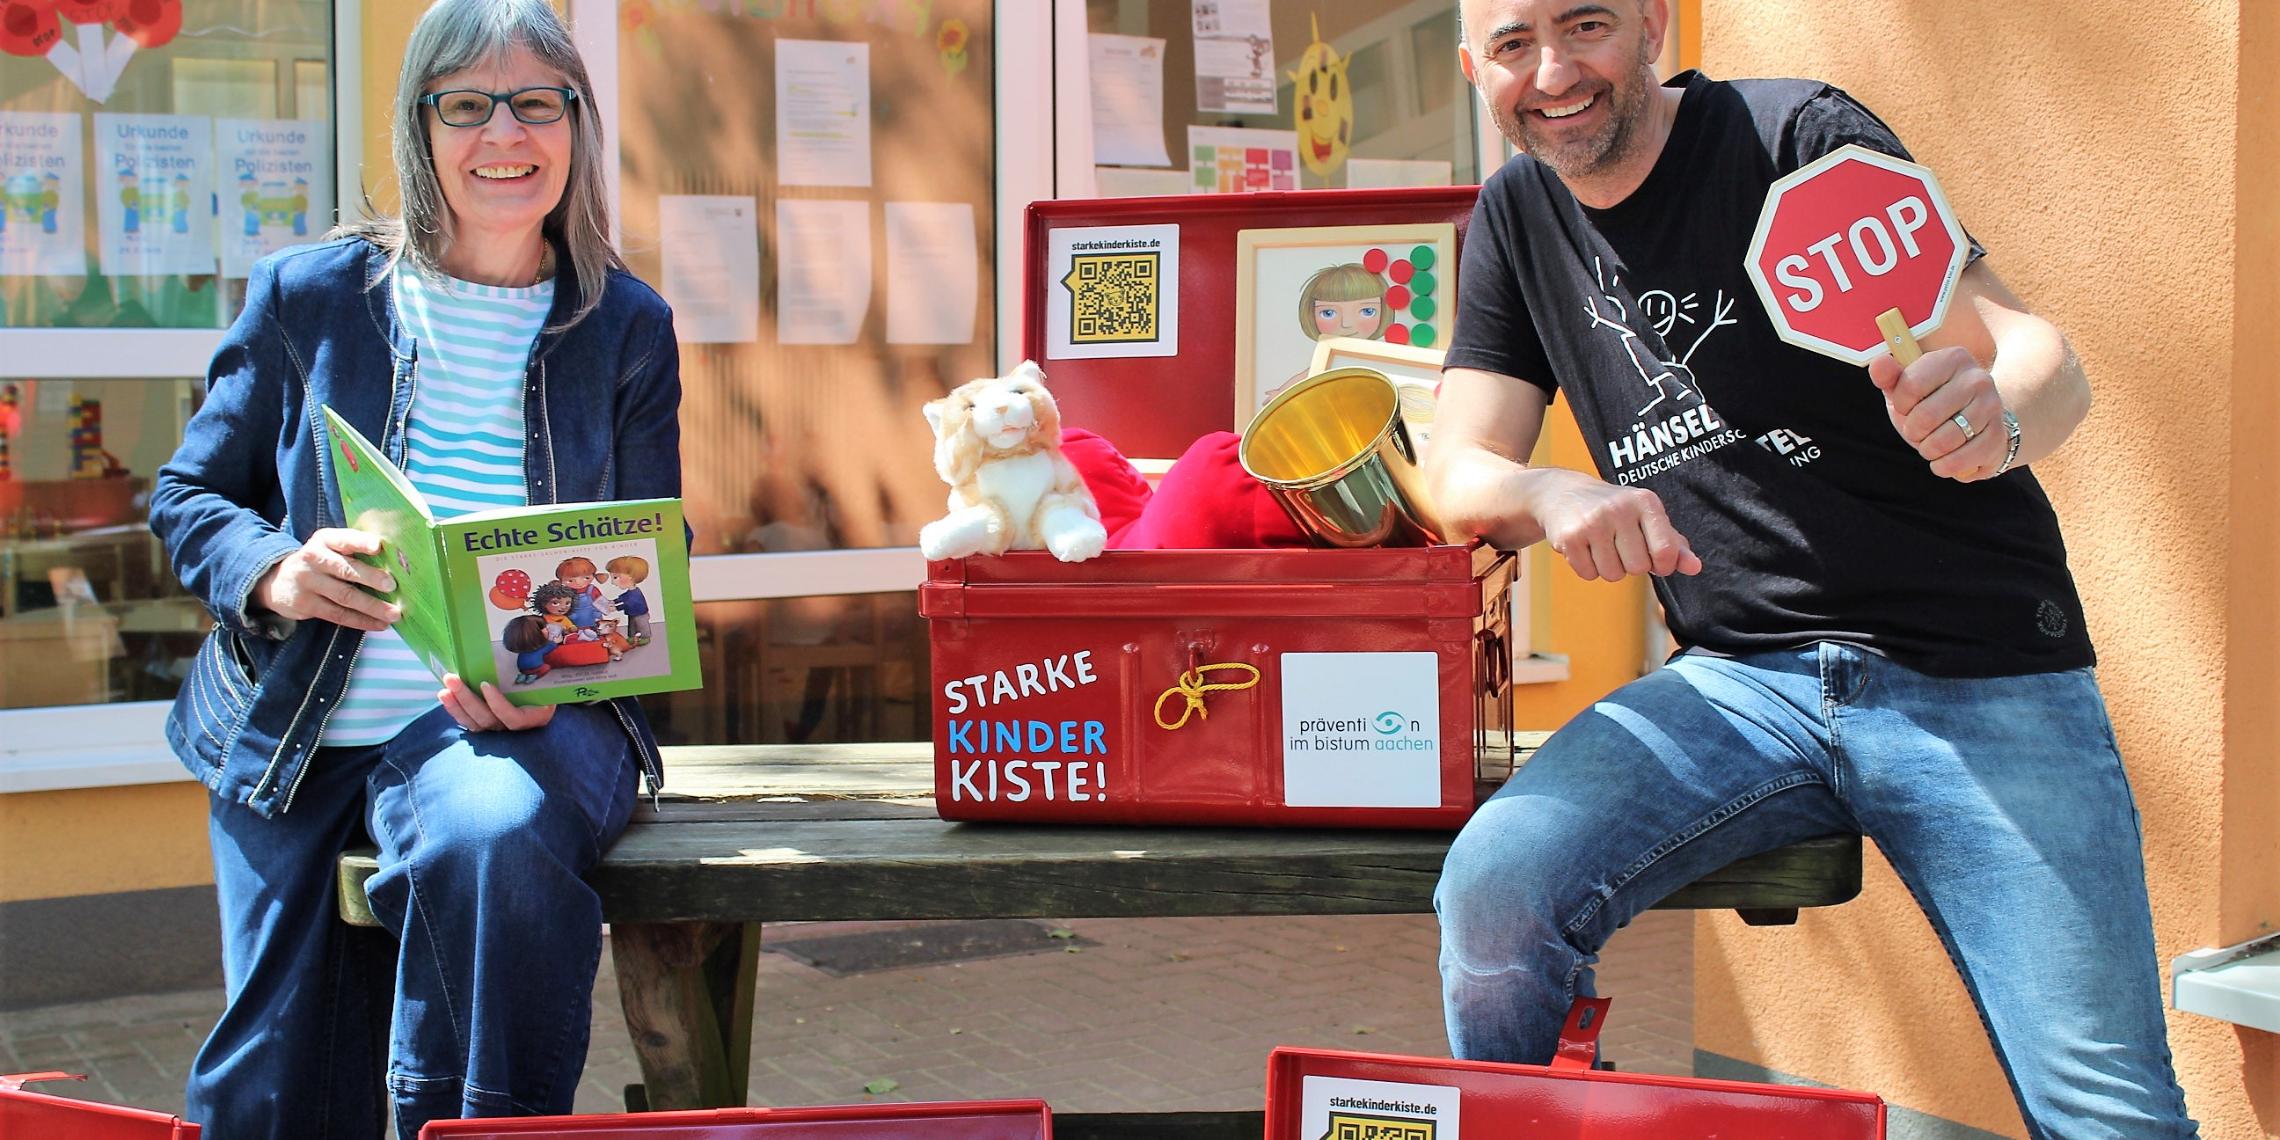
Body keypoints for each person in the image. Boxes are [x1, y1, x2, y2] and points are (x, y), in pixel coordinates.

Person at [1428, 1, 2197, 1135]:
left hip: (1980, 674)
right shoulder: (1517, 213)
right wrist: (1550, 492)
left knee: (2109, 1114)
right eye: (1512, 44)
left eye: (1585, 24)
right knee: (1496, 889)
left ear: (1648, 22)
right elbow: (1455, 473)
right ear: (1471, 68)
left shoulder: (1798, 138)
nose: (1553, 72)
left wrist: (2001, 419)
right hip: (1738, 685)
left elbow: (2041, 358)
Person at [147, 1, 680, 1135]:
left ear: (577, 125)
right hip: (299, 727)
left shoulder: (626, 326)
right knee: (270, 1090)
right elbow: (188, 496)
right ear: (419, 124)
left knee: (492, 836)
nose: (505, 133)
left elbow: (649, 563)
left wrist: (565, 675)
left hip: (521, 723)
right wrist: (275, 572)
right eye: (467, 104)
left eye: (539, 101)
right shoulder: (313, 297)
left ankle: (466, 1124)